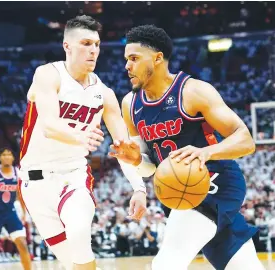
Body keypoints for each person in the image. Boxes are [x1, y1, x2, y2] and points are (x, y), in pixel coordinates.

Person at [111, 25, 265, 270]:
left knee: (166, 264)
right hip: (181, 191)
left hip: (215, 182)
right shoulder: (130, 104)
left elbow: (246, 140)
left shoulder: (194, 91)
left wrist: (205, 152)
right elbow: (149, 169)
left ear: (158, 58)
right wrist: (136, 160)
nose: (127, 66)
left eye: (134, 58)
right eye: (126, 59)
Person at [17, 15, 147, 270]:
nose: (93, 50)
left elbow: (125, 147)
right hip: (34, 185)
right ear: (67, 46)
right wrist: (79, 136)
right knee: (71, 262)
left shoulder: (105, 94)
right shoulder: (48, 75)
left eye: (97, 44)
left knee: (78, 234)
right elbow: (48, 124)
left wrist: (139, 187)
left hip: (73, 176)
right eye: (86, 43)